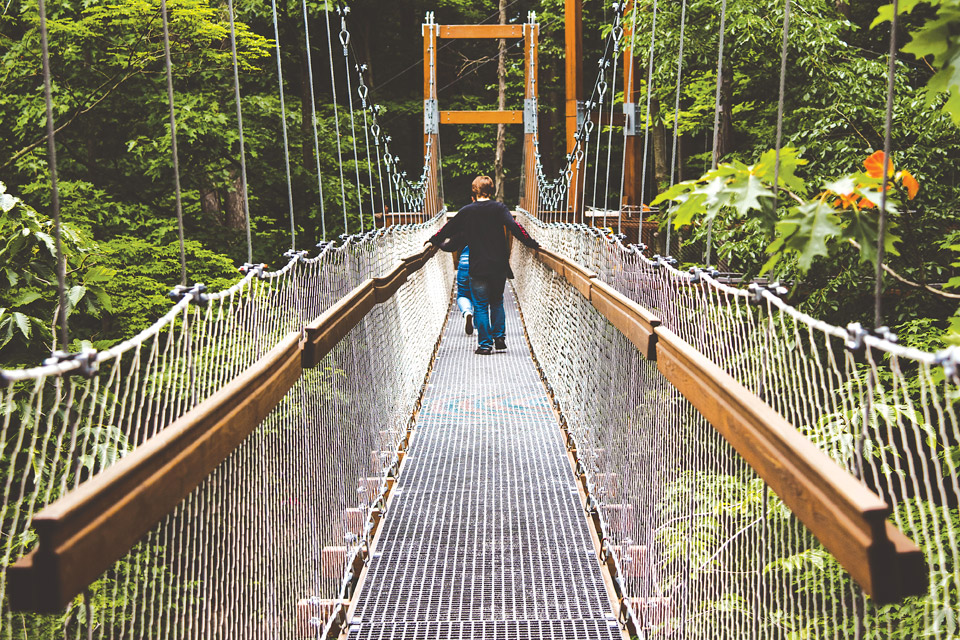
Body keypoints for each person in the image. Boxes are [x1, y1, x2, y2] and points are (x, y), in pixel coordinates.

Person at [428, 175, 540, 355]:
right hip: (498, 267)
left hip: (478, 267)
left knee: (480, 305)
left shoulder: (467, 211)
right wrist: (531, 243)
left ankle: (485, 345)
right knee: (497, 301)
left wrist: (433, 240)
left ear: (474, 192)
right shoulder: (499, 208)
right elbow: (515, 227)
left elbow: (448, 229)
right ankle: (500, 337)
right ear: (492, 191)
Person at [457, 246, 474, 335]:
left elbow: (450, 244)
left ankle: (467, 312)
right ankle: (480, 325)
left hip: (464, 262)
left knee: (463, 294)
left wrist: (434, 241)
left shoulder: (462, 231)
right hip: (480, 262)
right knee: (480, 298)